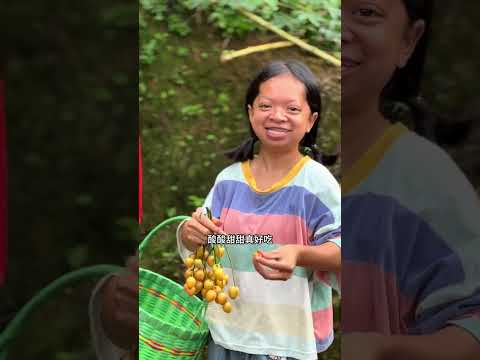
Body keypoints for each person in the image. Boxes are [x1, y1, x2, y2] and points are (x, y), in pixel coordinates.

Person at [341, 0, 480, 359]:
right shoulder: (249, 168)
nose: (338, 30)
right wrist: (199, 235)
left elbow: (471, 325)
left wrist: (383, 349)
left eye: (365, 12)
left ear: (408, 41)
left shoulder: (429, 185)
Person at [177, 60, 341, 360]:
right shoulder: (228, 181)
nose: (277, 116)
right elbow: (221, 241)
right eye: (265, 106)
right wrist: (192, 234)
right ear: (251, 112)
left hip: (286, 341)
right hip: (225, 334)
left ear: (311, 120)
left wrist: (299, 253)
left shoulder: (317, 184)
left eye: (292, 109)